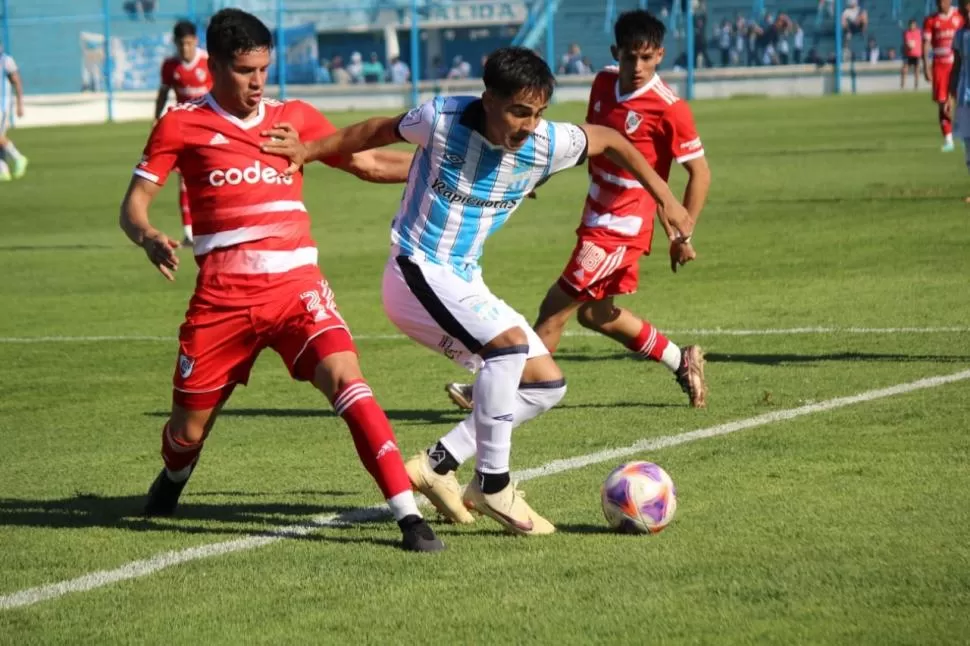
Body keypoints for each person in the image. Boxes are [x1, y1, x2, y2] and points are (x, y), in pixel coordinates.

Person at [262, 46, 691, 536]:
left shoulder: (548, 142)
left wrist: (668, 201)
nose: (530, 125)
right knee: (506, 351)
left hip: (463, 278)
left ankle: (437, 465)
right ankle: (494, 483)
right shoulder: (441, 119)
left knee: (545, 385)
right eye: (518, 112)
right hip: (414, 270)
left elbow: (612, 139)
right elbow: (376, 129)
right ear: (488, 99)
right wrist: (307, 152)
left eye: (538, 113)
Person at [121, 8, 443, 553]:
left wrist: (446, 170)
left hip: (298, 290)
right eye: (246, 70)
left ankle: (409, 518)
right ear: (215, 65)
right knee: (187, 433)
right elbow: (133, 205)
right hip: (222, 302)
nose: (258, 82)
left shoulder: (291, 118)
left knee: (349, 381)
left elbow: (366, 163)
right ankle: (173, 478)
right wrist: (148, 234)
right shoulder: (181, 123)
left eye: (264, 69)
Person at [443, 10, 710, 415]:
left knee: (553, 310)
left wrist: (683, 236)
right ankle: (682, 359)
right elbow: (585, 143)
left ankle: (492, 394)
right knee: (596, 314)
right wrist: (536, 179)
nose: (636, 67)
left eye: (646, 57)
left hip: (622, 227)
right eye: (628, 57)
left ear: (659, 55)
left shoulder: (670, 108)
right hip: (594, 215)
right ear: (614, 52)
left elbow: (699, 173)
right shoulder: (603, 83)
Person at [154, 20, 212, 244]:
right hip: (183, 130)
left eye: (188, 44)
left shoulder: (208, 61)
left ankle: (211, 224)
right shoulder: (170, 66)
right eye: (181, 44)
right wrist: (156, 118)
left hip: (209, 128)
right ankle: (189, 232)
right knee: (184, 181)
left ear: (195, 41)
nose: (185, 49)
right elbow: (162, 94)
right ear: (175, 43)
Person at [924, 0, 965, 152]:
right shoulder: (931, 20)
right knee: (943, 104)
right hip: (940, 66)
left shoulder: (959, 17)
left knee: (961, 101)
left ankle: (963, 133)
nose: (942, 4)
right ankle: (948, 139)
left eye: (944, 1)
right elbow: (926, 44)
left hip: (958, 65)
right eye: (939, 2)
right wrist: (925, 65)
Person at [947, 0, 970, 200]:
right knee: (968, 143)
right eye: (965, 8)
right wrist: (949, 96)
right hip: (965, 95)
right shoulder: (960, 35)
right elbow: (956, 67)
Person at [0, 44, 27, 182]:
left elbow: (17, 82)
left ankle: (18, 157)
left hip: (1, 106)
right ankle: (3, 171)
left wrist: (19, 104)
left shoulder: (6, 60)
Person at [902, 19, 923, 89]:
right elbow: (908, 43)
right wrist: (909, 45)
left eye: (913, 25)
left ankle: (916, 85)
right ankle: (903, 85)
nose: (912, 26)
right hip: (908, 54)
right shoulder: (907, 33)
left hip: (917, 54)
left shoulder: (919, 32)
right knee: (905, 70)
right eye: (911, 25)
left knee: (916, 70)